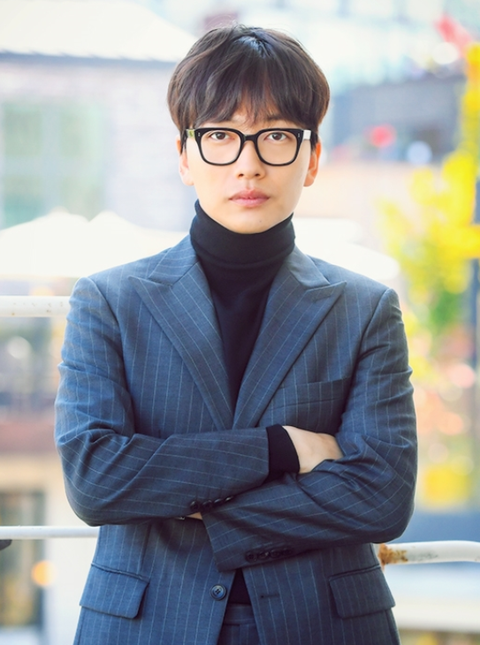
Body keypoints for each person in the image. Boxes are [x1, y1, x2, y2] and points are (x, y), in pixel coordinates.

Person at [54, 24, 417, 645]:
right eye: (221, 135)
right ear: (184, 156)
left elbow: (382, 495)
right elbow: (96, 479)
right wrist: (280, 449)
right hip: (149, 622)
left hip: (323, 623)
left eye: (275, 135)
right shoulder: (110, 300)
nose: (249, 164)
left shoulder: (365, 308)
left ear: (312, 158)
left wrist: (198, 507)